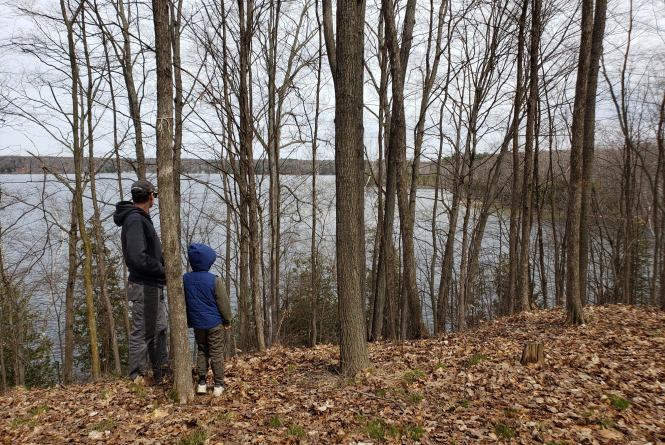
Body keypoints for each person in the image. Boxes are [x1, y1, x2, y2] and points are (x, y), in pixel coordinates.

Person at [113, 179, 170, 384]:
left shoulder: (139, 218)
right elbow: (138, 257)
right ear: (150, 196)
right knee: (144, 330)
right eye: (154, 195)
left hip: (152, 284)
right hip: (145, 285)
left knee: (159, 328)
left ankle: (161, 369)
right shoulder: (135, 219)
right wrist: (165, 271)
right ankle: (138, 376)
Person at [183, 243, 232, 397]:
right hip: (214, 323)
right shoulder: (214, 280)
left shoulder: (185, 279)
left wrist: (188, 320)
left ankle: (202, 383)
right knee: (216, 352)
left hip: (197, 323)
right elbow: (222, 302)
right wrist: (227, 320)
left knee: (202, 350)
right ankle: (218, 384)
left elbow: (185, 302)